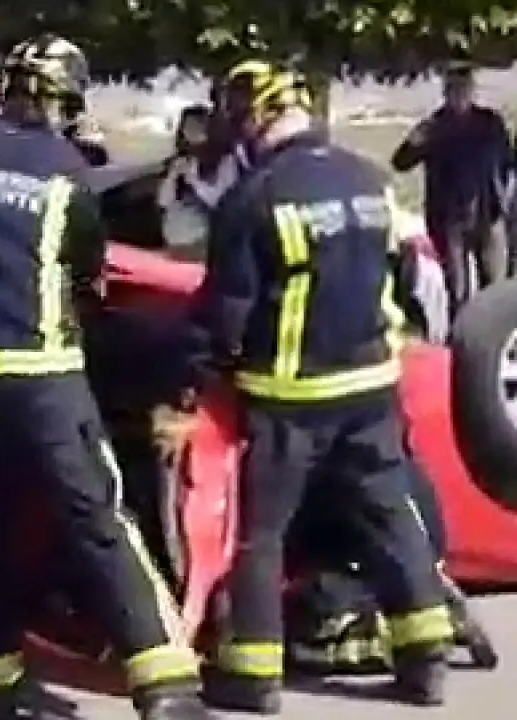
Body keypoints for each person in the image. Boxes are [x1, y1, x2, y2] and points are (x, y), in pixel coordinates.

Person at [0, 33, 208, 720]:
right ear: (65, 99)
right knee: (98, 518)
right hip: (42, 379)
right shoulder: (65, 168)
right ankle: (165, 683)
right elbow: (87, 271)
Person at [190, 66, 455, 714]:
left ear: (255, 118)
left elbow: (226, 313)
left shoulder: (253, 197)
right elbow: (405, 273)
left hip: (290, 398)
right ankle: (425, 659)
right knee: (391, 517)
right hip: (371, 386)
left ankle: (253, 674)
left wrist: (196, 378)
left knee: (262, 533)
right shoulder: (370, 179)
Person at [391, 60, 511, 315]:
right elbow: (400, 163)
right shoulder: (434, 127)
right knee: (458, 292)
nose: (460, 92)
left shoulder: (490, 123)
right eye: (454, 87)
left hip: (489, 215)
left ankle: (492, 335)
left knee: (496, 290)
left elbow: (507, 162)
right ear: (446, 92)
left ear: (472, 89)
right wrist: (412, 144)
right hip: (449, 221)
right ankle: (461, 335)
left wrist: (504, 199)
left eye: (465, 86)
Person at [157, 104, 216, 251]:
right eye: (187, 126)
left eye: (198, 125)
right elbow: (163, 202)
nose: (192, 131)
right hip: (174, 238)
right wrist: (173, 176)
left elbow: (218, 201)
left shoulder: (219, 160)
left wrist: (194, 180)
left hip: (202, 238)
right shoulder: (178, 159)